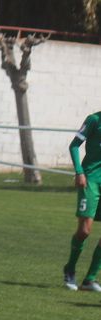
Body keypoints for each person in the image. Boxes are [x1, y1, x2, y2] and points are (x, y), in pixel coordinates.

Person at [64, 111, 101, 292]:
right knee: (85, 231)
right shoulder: (94, 120)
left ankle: (89, 279)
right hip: (90, 181)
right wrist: (79, 171)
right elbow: (74, 146)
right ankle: (70, 269)